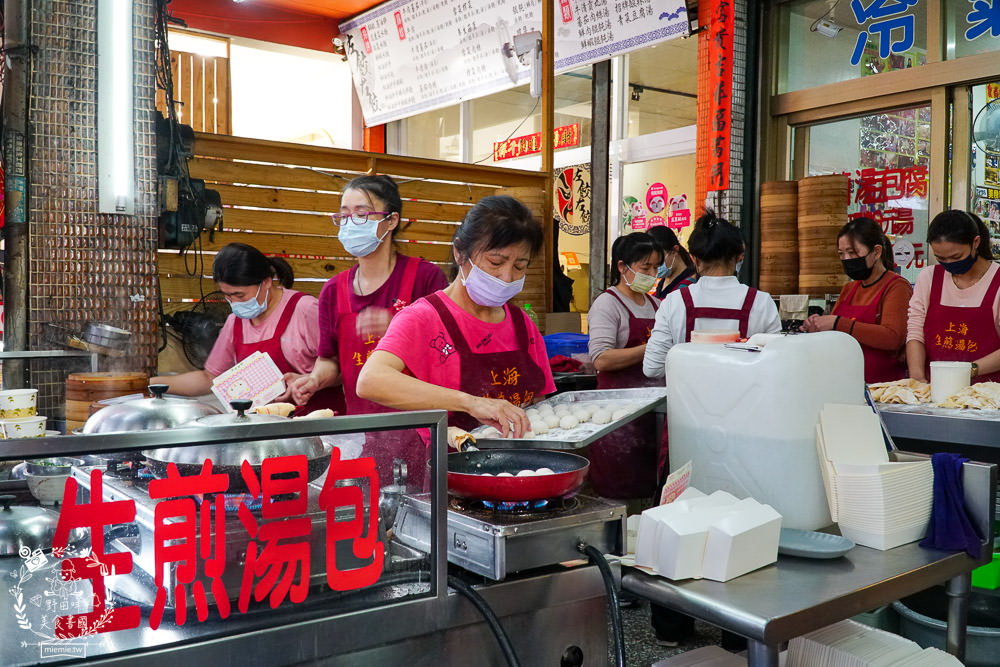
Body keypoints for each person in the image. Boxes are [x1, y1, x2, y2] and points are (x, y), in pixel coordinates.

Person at [642, 212, 780, 650]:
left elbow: (650, 366)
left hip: (686, 433)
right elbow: (775, 373)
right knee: (743, 524)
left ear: (694, 260)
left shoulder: (674, 303)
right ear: (740, 256)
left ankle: (672, 627)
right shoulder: (760, 303)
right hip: (748, 438)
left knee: (676, 521)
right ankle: (739, 632)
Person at [288, 175, 447, 482]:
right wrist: (314, 380)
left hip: (424, 431)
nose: (350, 223)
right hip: (362, 434)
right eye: (344, 215)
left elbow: (445, 351)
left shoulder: (425, 278)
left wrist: (400, 327)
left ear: (391, 221)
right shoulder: (333, 291)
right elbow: (329, 361)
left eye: (361, 214)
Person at [356, 195, 555, 439]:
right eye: (495, 262)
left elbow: (539, 404)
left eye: (519, 266)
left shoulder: (522, 324)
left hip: (515, 469)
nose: (506, 277)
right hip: (445, 468)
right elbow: (370, 381)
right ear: (460, 253)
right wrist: (470, 402)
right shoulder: (423, 318)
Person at [152, 242, 342, 414]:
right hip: (266, 432)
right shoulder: (234, 322)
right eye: (227, 296)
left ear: (266, 282)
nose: (233, 302)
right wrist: (151, 384)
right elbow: (210, 378)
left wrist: (310, 380)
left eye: (240, 295)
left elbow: (345, 370)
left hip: (320, 424)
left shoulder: (305, 309)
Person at [585, 232, 663, 502]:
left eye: (656, 268)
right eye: (645, 268)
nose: (652, 274)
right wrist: (652, 349)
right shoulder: (608, 304)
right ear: (622, 267)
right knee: (618, 495)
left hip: (655, 413)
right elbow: (601, 358)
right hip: (618, 417)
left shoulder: (658, 305)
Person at [801, 217, 912, 382]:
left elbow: (893, 337)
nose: (846, 259)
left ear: (876, 252)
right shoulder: (849, 289)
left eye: (852, 252)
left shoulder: (896, 286)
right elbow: (834, 330)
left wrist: (837, 323)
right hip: (843, 382)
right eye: (841, 253)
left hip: (881, 388)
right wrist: (817, 325)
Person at [906, 210, 1000, 383]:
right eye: (941, 258)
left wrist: (968, 370)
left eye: (956, 256)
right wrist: (917, 376)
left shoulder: (997, 282)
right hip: (935, 391)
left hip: (988, 396)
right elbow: (915, 333)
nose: (949, 264)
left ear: (976, 242)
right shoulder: (929, 277)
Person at [647, 225, 697, 298]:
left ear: (674, 251)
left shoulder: (689, 285)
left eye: (659, 258)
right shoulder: (662, 282)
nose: (655, 266)